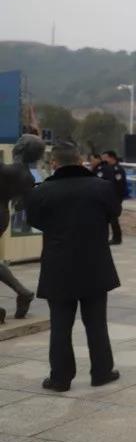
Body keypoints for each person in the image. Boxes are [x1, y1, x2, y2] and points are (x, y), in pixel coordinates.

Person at [25, 141, 121, 392]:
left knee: (60, 324)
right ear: (80, 161)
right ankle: (102, 371)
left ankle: (60, 378)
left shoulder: (41, 192)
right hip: (95, 264)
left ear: (54, 163)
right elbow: (113, 213)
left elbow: (35, 220)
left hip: (58, 265)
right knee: (97, 322)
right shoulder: (102, 187)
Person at [0, 135, 44, 321]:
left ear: (21, 147)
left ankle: (23, 292)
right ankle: (23, 292)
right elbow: (20, 205)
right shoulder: (28, 176)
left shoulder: (6, 170)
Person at [95, 151, 127, 244]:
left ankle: (117, 238)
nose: (103, 159)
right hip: (108, 195)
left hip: (115, 196)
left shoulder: (117, 169)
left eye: (105, 157)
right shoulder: (107, 168)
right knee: (108, 217)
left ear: (111, 157)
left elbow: (120, 184)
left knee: (113, 217)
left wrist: (118, 197)